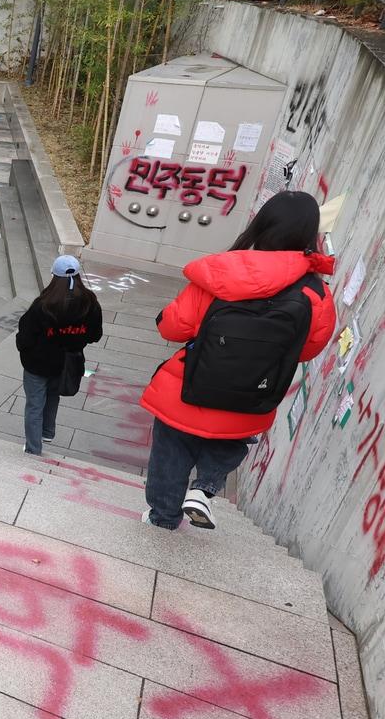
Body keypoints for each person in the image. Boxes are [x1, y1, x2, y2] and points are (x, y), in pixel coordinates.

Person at [140, 190, 336, 530]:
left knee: (171, 450)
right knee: (231, 440)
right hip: (251, 399)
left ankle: (163, 517)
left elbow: (173, 328)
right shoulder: (316, 295)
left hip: (188, 389)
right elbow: (306, 350)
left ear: (261, 224)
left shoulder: (220, 272)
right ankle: (204, 489)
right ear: (309, 234)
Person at [15, 255, 103, 456]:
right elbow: (95, 335)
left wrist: (24, 346)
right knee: (53, 394)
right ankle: (47, 432)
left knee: (35, 404)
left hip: (38, 363)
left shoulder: (43, 304)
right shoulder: (90, 304)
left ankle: (33, 448)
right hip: (67, 363)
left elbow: (25, 336)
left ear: (54, 276)